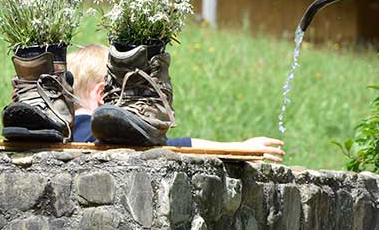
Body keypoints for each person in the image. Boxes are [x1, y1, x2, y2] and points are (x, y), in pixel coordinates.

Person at [68, 44, 286, 163]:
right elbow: (176, 147)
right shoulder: (96, 135)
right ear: (104, 95)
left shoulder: (62, 133)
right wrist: (239, 149)